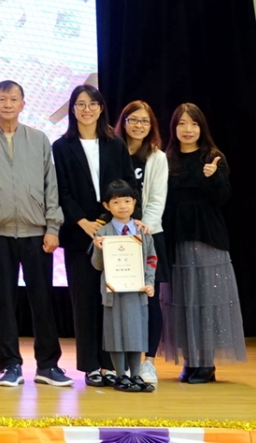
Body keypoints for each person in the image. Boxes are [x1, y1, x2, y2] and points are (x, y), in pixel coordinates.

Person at [0, 81, 71, 388]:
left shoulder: (38, 139)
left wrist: (53, 227)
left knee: (43, 301)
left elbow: (51, 186)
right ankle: (11, 365)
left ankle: (48, 365)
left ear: (23, 104)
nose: (7, 104)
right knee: (3, 302)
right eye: (2, 99)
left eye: (13, 99)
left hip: (37, 232)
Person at [52, 85, 138, 388]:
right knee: (84, 300)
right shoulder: (61, 146)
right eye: (80, 104)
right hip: (79, 235)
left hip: (113, 233)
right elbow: (61, 190)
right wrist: (82, 222)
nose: (86, 109)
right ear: (72, 109)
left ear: (101, 108)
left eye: (92, 104)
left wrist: (107, 220)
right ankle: (90, 366)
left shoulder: (116, 144)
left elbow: (128, 184)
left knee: (111, 301)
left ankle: (110, 364)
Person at [163, 103, 245, 383]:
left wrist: (213, 178)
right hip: (176, 236)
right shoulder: (166, 158)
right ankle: (191, 361)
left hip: (207, 235)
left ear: (202, 128)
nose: (188, 129)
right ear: (174, 128)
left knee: (206, 299)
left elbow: (223, 198)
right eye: (182, 123)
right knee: (183, 299)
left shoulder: (213, 157)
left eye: (194, 124)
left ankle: (206, 363)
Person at [114, 100, 170, 384]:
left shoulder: (157, 157)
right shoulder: (113, 151)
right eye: (133, 120)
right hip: (116, 237)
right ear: (123, 122)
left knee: (149, 298)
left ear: (151, 126)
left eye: (144, 121)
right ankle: (121, 362)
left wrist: (143, 227)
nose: (139, 125)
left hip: (148, 235)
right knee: (118, 299)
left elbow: (157, 198)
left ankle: (148, 362)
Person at [91, 179, 158, 393]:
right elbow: (97, 265)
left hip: (137, 292)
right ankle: (120, 376)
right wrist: (98, 248)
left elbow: (151, 259)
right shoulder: (103, 233)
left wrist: (149, 283)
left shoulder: (142, 231)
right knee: (116, 334)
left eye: (127, 201)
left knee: (136, 333)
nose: (122, 206)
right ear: (106, 206)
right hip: (114, 293)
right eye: (116, 202)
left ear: (134, 202)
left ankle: (135, 375)